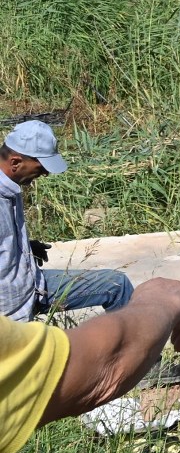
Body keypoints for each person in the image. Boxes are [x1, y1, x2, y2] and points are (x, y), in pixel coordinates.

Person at [0, 276, 180, 453]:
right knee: (117, 285)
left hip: (32, 278)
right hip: (20, 290)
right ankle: (150, 373)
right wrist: (163, 302)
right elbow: (107, 364)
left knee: (117, 285)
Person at [1, 120, 133, 322]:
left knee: (116, 284)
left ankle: (140, 353)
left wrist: (23, 248)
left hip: (34, 284)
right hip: (13, 309)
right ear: (16, 162)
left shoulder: (11, 185)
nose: (45, 173)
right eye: (41, 167)